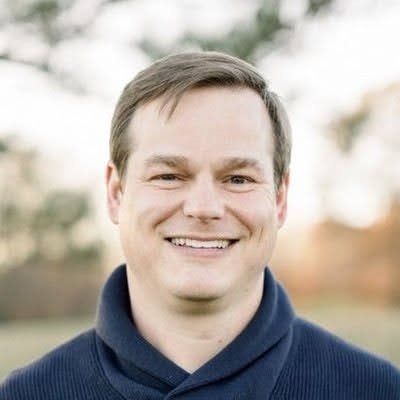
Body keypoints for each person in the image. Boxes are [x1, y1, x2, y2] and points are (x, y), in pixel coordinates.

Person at [1, 51, 399, 400]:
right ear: (116, 193)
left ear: (279, 198)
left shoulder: (379, 391)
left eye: (238, 179)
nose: (204, 208)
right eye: (168, 176)